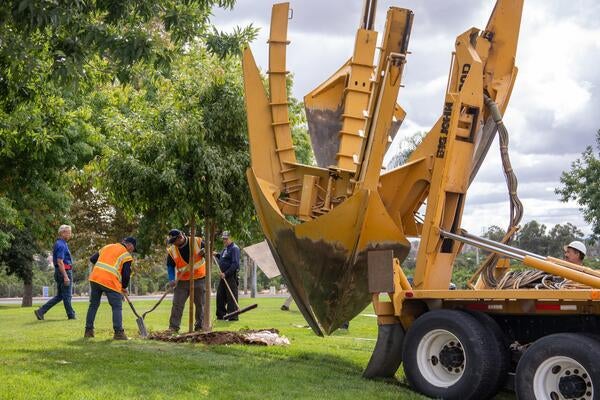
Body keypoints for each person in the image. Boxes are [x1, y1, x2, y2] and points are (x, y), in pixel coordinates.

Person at [84, 237, 136, 340]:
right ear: (129, 245)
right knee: (117, 306)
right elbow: (126, 275)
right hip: (110, 281)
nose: (132, 251)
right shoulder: (126, 255)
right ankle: (119, 333)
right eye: (133, 248)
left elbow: (92, 259)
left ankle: (88, 331)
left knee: (93, 305)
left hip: (95, 278)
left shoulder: (107, 247)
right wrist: (124, 287)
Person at [165, 229, 206, 333]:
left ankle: (200, 326)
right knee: (177, 304)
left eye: (175, 241)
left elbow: (210, 253)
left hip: (199, 278)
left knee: (200, 304)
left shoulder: (197, 242)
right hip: (182, 281)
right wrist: (171, 279)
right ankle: (173, 327)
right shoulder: (172, 250)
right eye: (172, 242)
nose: (174, 244)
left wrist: (205, 252)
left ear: (181, 237)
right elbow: (170, 266)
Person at [34, 225, 76, 320]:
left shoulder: (60, 243)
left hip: (59, 272)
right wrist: (65, 276)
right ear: (62, 233)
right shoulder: (61, 245)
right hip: (64, 271)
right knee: (67, 296)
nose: (70, 234)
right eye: (68, 232)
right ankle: (71, 315)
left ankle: (41, 311)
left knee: (60, 296)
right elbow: (60, 261)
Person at [215, 231, 241, 321]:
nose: (224, 240)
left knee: (231, 296)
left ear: (231, 238)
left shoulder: (234, 248)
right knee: (220, 295)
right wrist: (217, 254)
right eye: (223, 239)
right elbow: (224, 258)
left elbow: (235, 264)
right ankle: (221, 315)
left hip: (230, 276)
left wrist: (226, 273)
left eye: (226, 238)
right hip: (223, 276)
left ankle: (233, 316)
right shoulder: (225, 249)